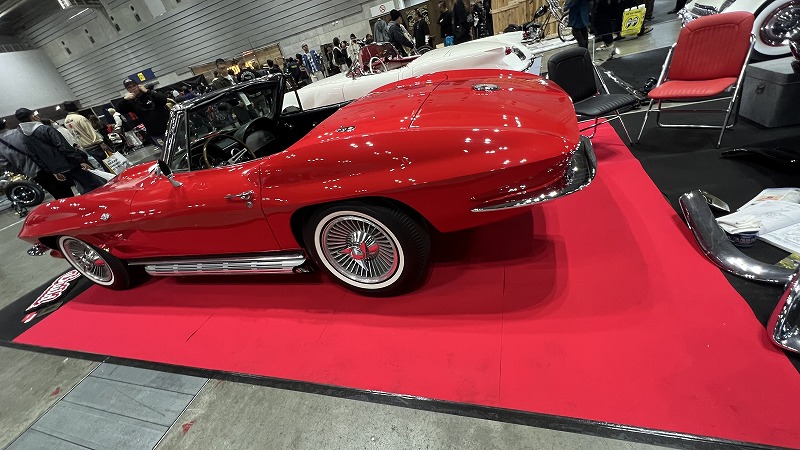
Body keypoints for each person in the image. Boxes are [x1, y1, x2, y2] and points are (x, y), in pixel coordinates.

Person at [7, 108, 105, 196]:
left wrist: (52, 171)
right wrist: (80, 160)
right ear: (33, 116)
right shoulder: (46, 129)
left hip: (58, 170)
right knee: (94, 185)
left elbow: (35, 157)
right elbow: (64, 147)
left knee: (78, 190)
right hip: (72, 164)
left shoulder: (25, 137)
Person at [117, 79, 170, 147]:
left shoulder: (150, 94)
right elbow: (119, 110)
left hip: (169, 127)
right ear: (128, 90)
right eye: (129, 87)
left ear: (138, 86)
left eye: (134, 85)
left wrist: (147, 91)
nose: (133, 88)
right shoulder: (131, 102)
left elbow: (163, 100)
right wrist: (125, 100)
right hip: (155, 133)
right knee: (166, 150)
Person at [63, 101, 108, 171]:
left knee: (101, 165)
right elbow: (91, 131)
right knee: (108, 163)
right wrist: (101, 142)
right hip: (94, 144)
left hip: (85, 147)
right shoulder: (79, 118)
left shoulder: (66, 121)